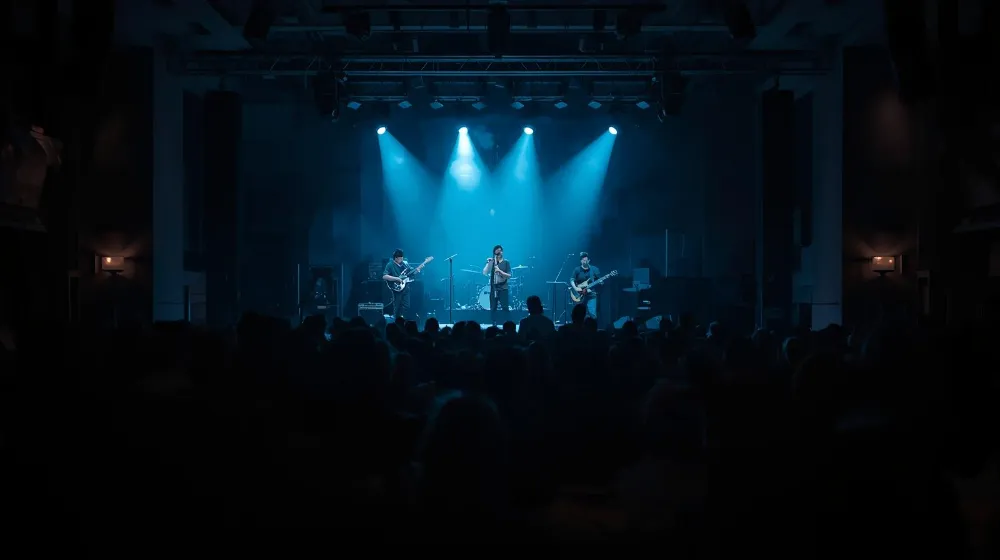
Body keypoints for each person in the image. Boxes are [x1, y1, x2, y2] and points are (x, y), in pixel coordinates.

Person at [482, 244, 512, 326]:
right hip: (494, 288)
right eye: (497, 251)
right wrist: (488, 263)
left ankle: (508, 325)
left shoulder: (506, 262)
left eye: (500, 250)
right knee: (493, 308)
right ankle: (493, 325)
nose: (499, 252)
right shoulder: (492, 262)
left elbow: (509, 275)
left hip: (503, 288)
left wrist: (500, 271)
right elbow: (484, 272)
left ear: (502, 252)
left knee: (505, 307)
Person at [382, 249, 412, 320]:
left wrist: (417, 270)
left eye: (402, 258)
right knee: (396, 306)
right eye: (400, 258)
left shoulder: (405, 264)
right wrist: (396, 279)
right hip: (397, 289)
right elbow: (384, 276)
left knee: (406, 306)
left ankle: (402, 319)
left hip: (406, 288)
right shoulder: (390, 264)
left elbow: (410, 272)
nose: (401, 259)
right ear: (395, 258)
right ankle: (396, 321)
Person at [570, 251, 601, 320]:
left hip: (591, 295)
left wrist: (600, 282)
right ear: (581, 261)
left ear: (589, 260)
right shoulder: (577, 269)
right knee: (578, 315)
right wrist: (576, 288)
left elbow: (599, 282)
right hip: (579, 295)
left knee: (593, 315)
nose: (584, 261)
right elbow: (572, 280)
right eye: (583, 260)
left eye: (586, 260)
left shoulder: (594, 269)